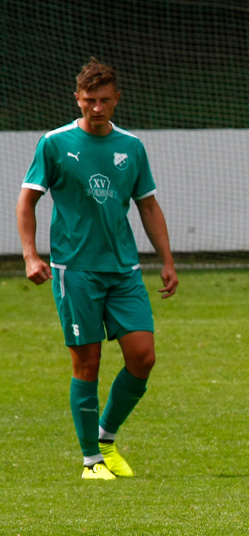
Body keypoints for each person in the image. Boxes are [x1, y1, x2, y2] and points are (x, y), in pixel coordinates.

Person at [16, 57, 178, 481]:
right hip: (75, 270)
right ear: (78, 98)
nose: (97, 108)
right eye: (90, 100)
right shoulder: (54, 143)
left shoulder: (132, 147)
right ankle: (91, 461)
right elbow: (27, 199)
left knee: (143, 357)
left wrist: (166, 260)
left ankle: (106, 437)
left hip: (123, 269)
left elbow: (148, 205)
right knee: (87, 364)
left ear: (117, 99)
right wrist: (31, 255)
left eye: (105, 100)